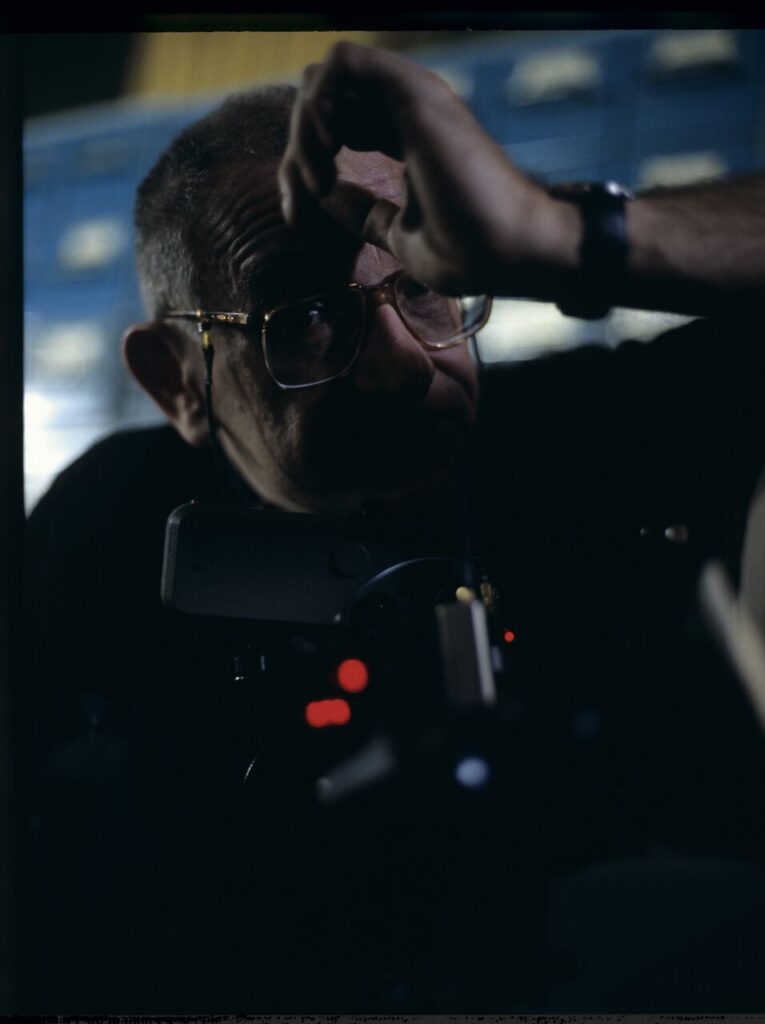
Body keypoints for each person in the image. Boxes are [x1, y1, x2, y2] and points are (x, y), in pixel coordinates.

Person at [22, 41, 765, 1013]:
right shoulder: (97, 539)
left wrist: (558, 233)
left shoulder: (568, 436)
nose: (403, 364)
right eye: (305, 316)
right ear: (176, 381)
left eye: (422, 282)